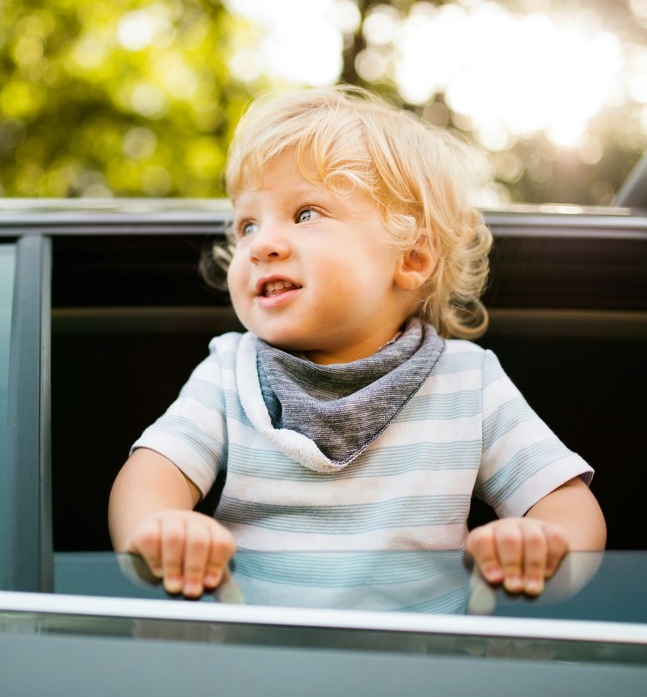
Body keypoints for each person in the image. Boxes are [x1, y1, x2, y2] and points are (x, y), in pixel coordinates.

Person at [109, 85, 606, 601]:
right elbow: (150, 475)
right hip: (258, 669)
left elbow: (565, 504)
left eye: (305, 214)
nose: (261, 245)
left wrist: (544, 546)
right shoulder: (228, 371)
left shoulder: (468, 380)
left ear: (411, 258)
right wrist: (161, 530)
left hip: (419, 673)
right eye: (248, 224)